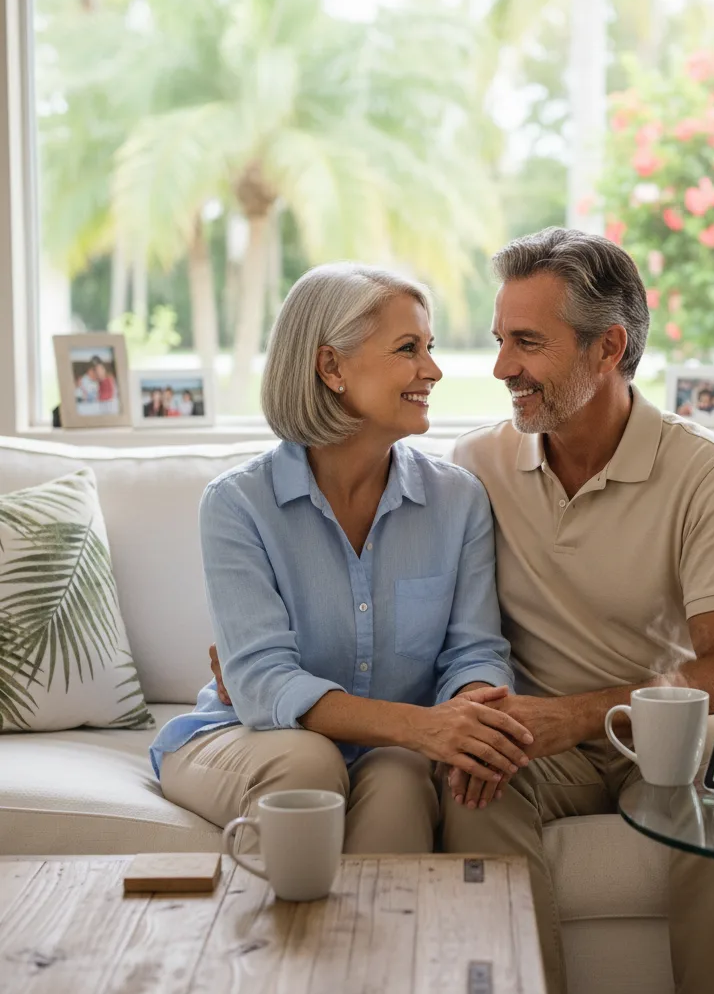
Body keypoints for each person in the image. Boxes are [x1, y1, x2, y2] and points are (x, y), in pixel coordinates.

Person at [442, 228, 714, 994]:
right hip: (537, 740)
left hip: (654, 731)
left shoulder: (705, 475)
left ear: (607, 348)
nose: (501, 369)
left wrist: (579, 715)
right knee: (469, 781)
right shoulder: (476, 466)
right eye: (499, 341)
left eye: (528, 342)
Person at [152, 263, 533, 857]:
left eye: (429, 348)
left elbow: (474, 652)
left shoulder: (458, 500)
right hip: (248, 738)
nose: (431, 370)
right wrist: (422, 727)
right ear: (330, 366)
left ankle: (369, 952)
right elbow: (260, 684)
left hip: (393, 750)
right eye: (408, 349)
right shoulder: (238, 505)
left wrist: (469, 722)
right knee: (310, 764)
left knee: (405, 781)